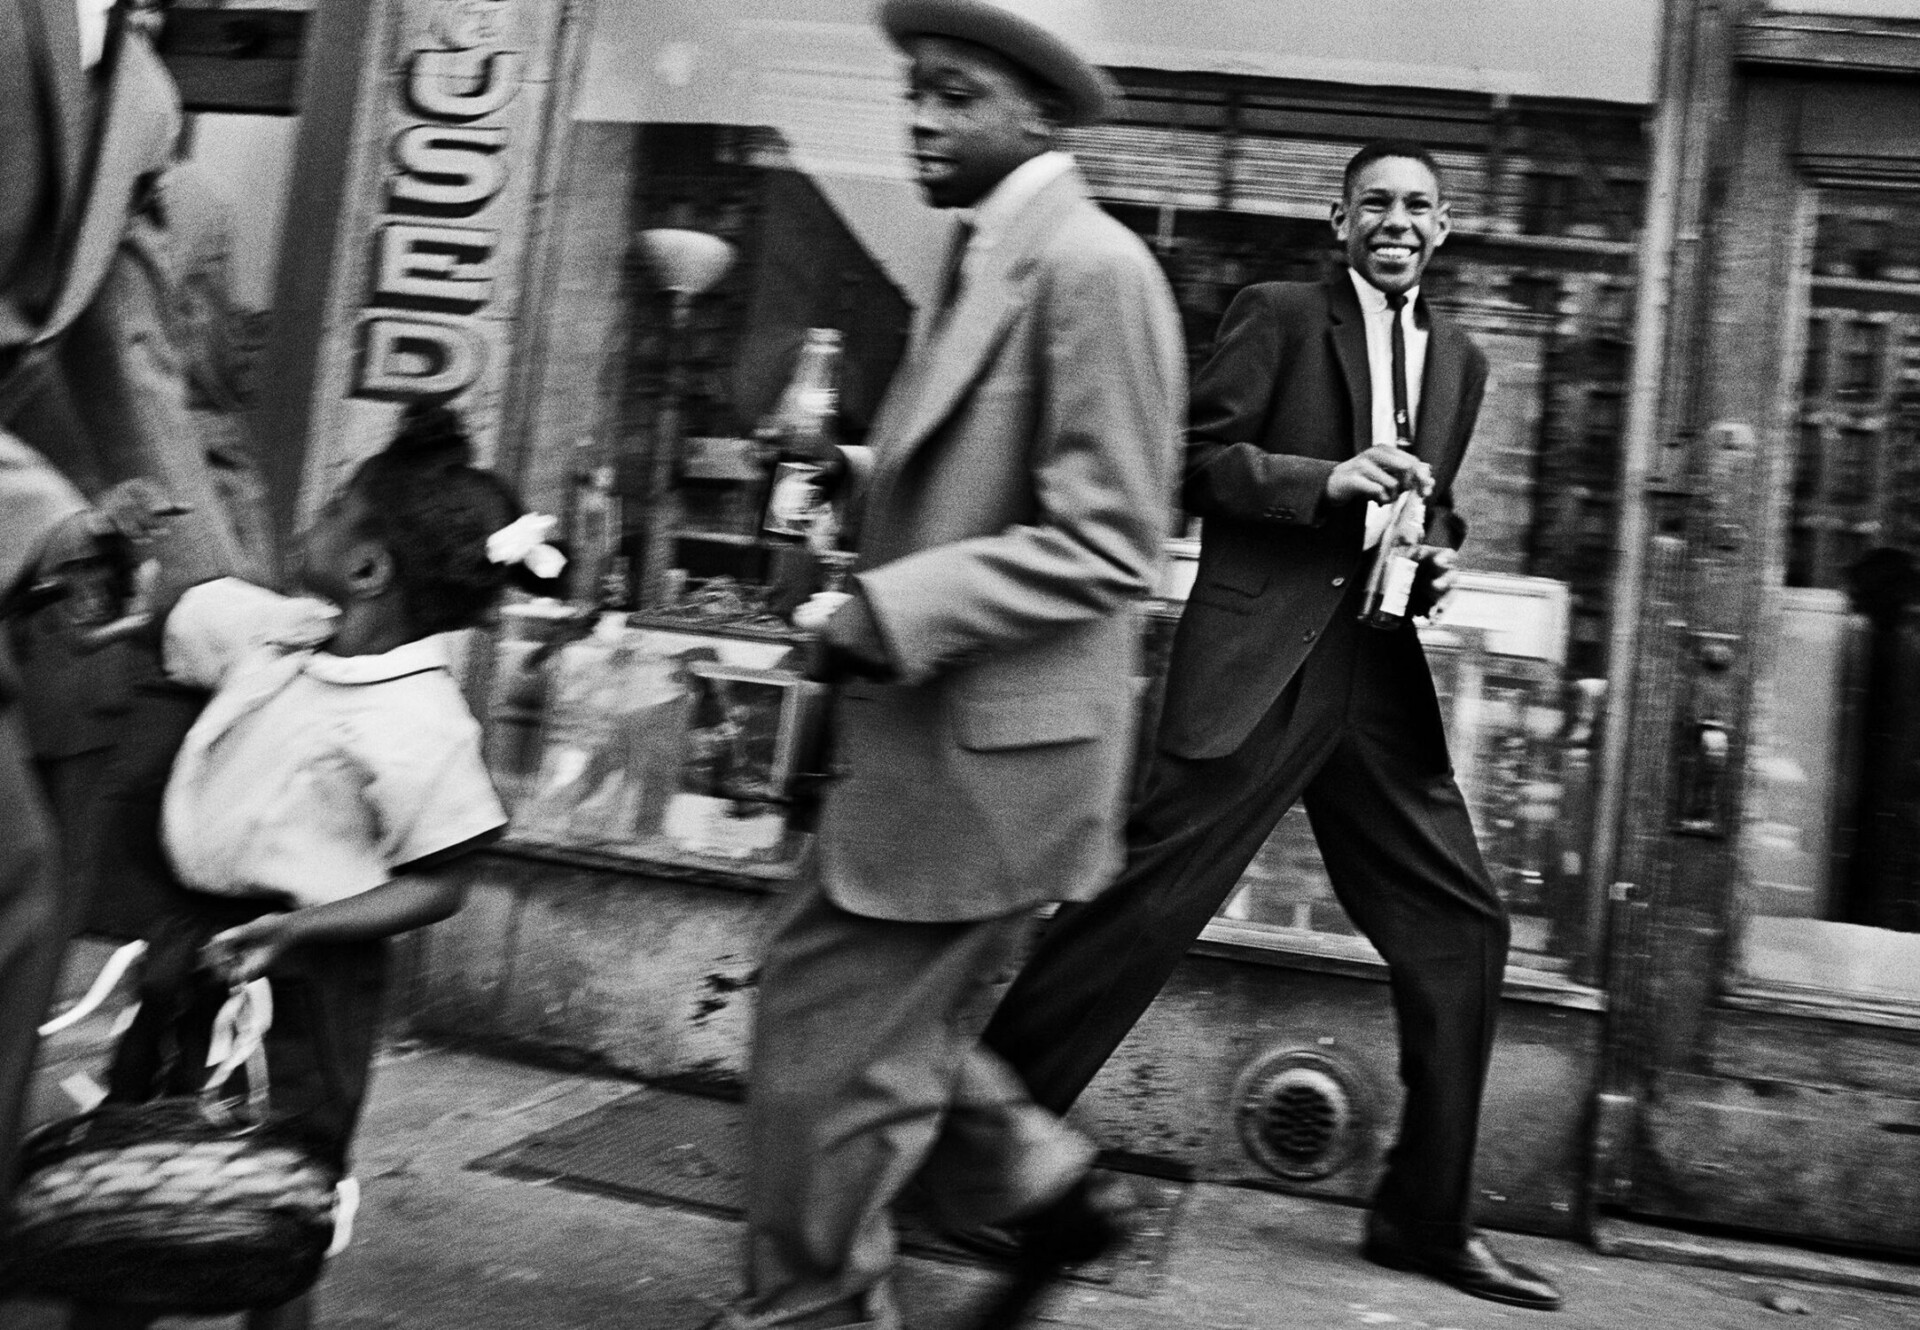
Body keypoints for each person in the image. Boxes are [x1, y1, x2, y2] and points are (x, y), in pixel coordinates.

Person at [979, 139, 1565, 1313]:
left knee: (1463, 929)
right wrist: (1321, 480)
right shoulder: (1279, 314)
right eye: (1375, 203)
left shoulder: (1465, 359)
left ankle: (1423, 1219)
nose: (1395, 221)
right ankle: (982, 1166)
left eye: (1418, 207)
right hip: (1260, 665)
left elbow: (1430, 509)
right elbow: (1189, 463)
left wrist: (1433, 558)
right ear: (1337, 216)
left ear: (1446, 228)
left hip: (1376, 678)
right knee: (1136, 911)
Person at [716, 2, 1185, 1327]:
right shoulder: (998, 251)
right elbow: (999, 482)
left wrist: (886, 609)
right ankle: (1048, 1182)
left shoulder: (1091, 266)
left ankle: (808, 1308)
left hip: (976, 756)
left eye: (953, 93)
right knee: (864, 1032)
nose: (916, 117)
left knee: (829, 1056)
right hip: (934, 747)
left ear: (1039, 113)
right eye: (913, 90)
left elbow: (1111, 540)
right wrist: (856, 473)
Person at [66, 403, 557, 1330]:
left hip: (305, 981)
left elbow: (438, 882)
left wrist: (296, 927)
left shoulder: (420, 726)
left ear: (369, 569)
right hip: (194, 952)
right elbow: (170, 613)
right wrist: (118, 577)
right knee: (130, 1159)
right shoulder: (277, 631)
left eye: (336, 507)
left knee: (281, 1182)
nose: (314, 515)